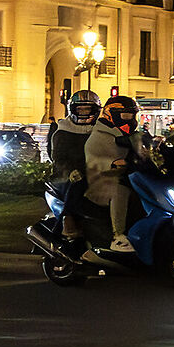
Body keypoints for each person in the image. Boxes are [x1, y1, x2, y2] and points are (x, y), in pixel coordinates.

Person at [85, 96, 142, 254]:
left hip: (128, 176)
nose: (130, 120)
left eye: (132, 115)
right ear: (111, 114)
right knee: (119, 190)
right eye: (125, 115)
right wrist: (116, 162)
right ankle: (118, 236)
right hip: (101, 181)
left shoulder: (129, 135)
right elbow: (100, 159)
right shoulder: (100, 134)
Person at [49, 91, 100, 243]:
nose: (84, 113)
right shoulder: (62, 131)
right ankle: (67, 219)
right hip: (68, 175)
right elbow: (57, 157)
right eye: (80, 109)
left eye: (87, 109)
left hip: (98, 171)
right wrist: (71, 170)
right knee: (78, 182)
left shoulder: (102, 130)